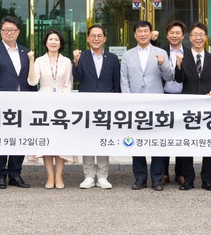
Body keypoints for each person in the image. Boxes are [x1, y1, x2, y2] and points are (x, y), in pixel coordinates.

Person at [0, 16, 36, 189]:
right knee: (1, 139)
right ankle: (0, 175)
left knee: (20, 139)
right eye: (6, 30)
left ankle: (15, 175)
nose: (9, 33)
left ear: (18, 32)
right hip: (1, 104)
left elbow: (30, 78)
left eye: (12, 30)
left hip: (23, 103)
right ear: (1, 32)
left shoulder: (26, 52)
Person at [120, 20, 173, 191]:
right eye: (139, 31)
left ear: (150, 34)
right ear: (135, 35)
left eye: (145, 31)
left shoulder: (161, 52)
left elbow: (169, 77)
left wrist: (162, 64)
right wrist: (128, 101)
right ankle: (140, 178)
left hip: (156, 105)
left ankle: (157, 178)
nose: (143, 34)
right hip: (135, 105)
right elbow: (124, 80)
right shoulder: (127, 55)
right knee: (136, 142)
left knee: (156, 141)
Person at [27, 28, 78, 189]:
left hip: (63, 103)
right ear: (46, 43)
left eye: (56, 39)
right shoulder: (39, 60)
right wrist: (31, 61)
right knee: (47, 141)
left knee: (61, 141)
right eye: (51, 39)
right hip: (44, 103)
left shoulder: (66, 61)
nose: (53, 42)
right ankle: (49, 176)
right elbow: (32, 82)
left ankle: (59, 176)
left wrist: (63, 100)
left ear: (60, 43)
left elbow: (68, 83)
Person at [73, 24, 120, 190]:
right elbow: (76, 78)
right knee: (88, 139)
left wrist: (117, 103)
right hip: (87, 104)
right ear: (88, 38)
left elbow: (116, 82)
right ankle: (88, 176)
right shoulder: (82, 56)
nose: (96, 38)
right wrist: (76, 62)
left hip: (106, 104)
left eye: (99, 35)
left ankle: (102, 176)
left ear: (104, 38)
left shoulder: (112, 58)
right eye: (93, 35)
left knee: (103, 140)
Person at [174, 22, 211, 191]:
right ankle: (188, 179)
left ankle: (207, 180)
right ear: (190, 38)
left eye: (201, 35)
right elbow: (179, 79)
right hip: (188, 108)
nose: (198, 38)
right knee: (188, 144)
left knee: (208, 144)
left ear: (205, 38)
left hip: (208, 108)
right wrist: (178, 65)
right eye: (195, 35)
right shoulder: (183, 57)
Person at [160, 20, 187, 186]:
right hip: (164, 97)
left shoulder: (189, 53)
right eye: (171, 33)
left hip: (183, 98)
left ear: (183, 36)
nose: (174, 35)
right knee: (164, 136)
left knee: (181, 136)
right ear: (167, 35)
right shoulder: (160, 51)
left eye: (178, 33)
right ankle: (164, 173)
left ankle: (180, 173)